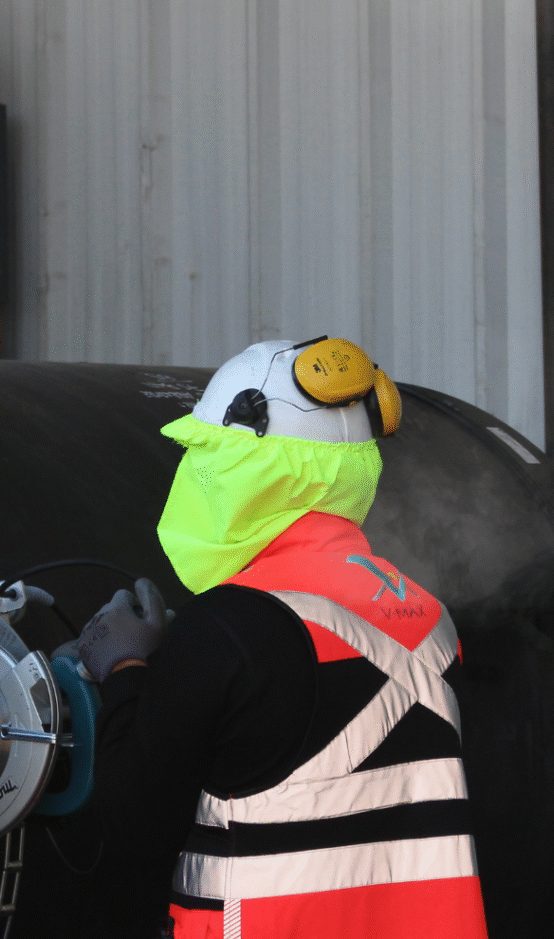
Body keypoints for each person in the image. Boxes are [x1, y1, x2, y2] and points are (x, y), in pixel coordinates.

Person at [74, 337, 489, 939]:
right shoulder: (432, 623)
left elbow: (132, 828)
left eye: (210, 457)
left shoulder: (226, 628)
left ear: (261, 472)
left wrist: (124, 669)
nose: (198, 476)